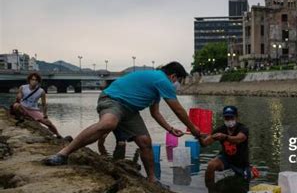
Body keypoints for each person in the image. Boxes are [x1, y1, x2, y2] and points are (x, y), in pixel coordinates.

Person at [43, 62, 202, 185]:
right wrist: (194, 129)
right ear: (173, 77)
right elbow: (178, 110)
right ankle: (63, 154)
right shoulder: (162, 79)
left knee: (145, 142)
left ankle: (152, 180)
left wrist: (170, 129)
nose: (177, 84)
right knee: (109, 123)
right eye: (179, 80)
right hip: (113, 100)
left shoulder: (156, 87)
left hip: (130, 111)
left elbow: (155, 113)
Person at [200, 106, 258, 187]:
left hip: (241, 161)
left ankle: (249, 170)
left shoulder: (243, 128)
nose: (229, 120)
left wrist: (225, 137)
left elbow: (239, 139)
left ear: (236, 117)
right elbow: (204, 143)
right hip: (226, 158)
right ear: (224, 118)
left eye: (231, 117)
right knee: (211, 165)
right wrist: (199, 136)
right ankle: (210, 188)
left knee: (243, 185)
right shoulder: (220, 129)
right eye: (227, 118)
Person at [11, 72, 62, 137]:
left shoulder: (41, 91)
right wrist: (19, 96)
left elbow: (44, 104)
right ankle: (20, 117)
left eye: (36, 80)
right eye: (32, 79)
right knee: (16, 106)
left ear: (38, 81)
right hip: (23, 107)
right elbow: (19, 98)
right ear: (29, 80)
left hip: (34, 110)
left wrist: (45, 115)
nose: (34, 81)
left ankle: (57, 134)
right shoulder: (23, 87)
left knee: (48, 123)